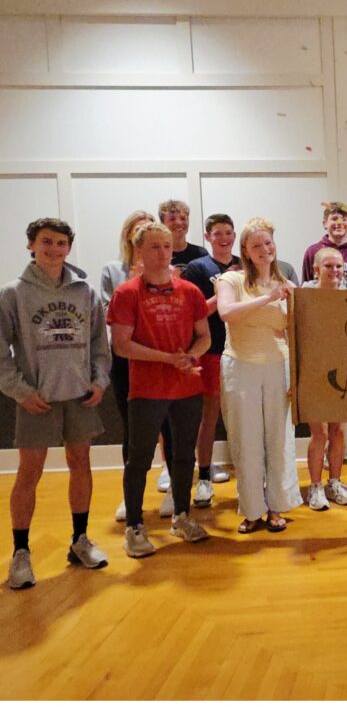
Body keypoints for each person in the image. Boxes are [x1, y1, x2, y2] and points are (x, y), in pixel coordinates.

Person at [1, 218, 111, 589]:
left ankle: (79, 540)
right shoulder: (13, 294)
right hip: (37, 399)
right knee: (29, 473)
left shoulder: (86, 291)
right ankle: (21, 552)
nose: (54, 249)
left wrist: (99, 381)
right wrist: (20, 391)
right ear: (31, 245)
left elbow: (99, 344)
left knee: (81, 464)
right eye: (46, 242)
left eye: (61, 243)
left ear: (68, 248)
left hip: (80, 397)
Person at [107, 221, 211, 556]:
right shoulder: (127, 293)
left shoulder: (190, 291)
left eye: (166, 246)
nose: (163, 253)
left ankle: (181, 516)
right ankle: (135, 526)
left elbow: (204, 337)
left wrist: (189, 357)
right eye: (154, 246)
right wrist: (167, 359)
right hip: (147, 389)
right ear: (138, 250)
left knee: (184, 455)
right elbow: (121, 345)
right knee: (139, 459)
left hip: (187, 386)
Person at [216, 217, 302, 533]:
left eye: (268, 243)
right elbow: (227, 313)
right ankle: (252, 509)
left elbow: (296, 330)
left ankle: (277, 507)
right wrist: (268, 299)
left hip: (278, 366)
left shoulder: (287, 284)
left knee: (279, 439)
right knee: (246, 439)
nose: (264, 249)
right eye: (256, 245)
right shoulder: (231, 280)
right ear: (246, 251)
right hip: (240, 367)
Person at [102, 210, 172, 521]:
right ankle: (132, 497)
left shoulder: (172, 272)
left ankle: (174, 488)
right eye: (138, 230)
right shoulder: (112, 271)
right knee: (132, 429)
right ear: (130, 236)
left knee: (169, 426)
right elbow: (111, 314)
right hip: (126, 360)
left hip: (164, 359)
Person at [180, 213, 240, 508]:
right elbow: (195, 312)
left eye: (228, 232)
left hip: (242, 349)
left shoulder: (244, 264)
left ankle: (250, 478)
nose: (224, 238)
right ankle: (204, 477)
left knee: (242, 416)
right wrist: (221, 294)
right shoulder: (198, 267)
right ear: (207, 237)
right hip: (212, 349)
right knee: (210, 415)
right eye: (218, 233)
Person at [299, 247, 347, 509]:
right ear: (316, 269)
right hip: (312, 372)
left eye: (339, 266)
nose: (335, 271)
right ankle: (315, 487)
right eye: (328, 266)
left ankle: (335, 482)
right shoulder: (304, 297)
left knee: (338, 430)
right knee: (319, 432)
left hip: (341, 372)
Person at [300, 200, 347, 289]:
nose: (339, 223)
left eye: (344, 219)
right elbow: (306, 289)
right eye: (334, 219)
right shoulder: (312, 251)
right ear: (325, 224)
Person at [160, 198, 208, 271]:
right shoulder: (158, 255)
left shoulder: (201, 253)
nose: (179, 223)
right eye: (172, 219)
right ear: (162, 224)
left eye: (183, 218)